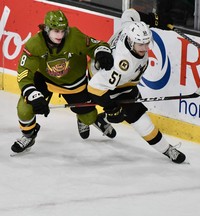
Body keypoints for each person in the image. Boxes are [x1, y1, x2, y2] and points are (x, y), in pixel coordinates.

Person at [87, 8, 186, 164]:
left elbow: (130, 13)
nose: (145, 48)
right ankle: (90, 116)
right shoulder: (122, 63)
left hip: (124, 82)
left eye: (147, 43)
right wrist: (112, 108)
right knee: (135, 116)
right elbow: (94, 88)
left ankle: (167, 149)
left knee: (134, 113)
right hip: (105, 82)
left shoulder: (129, 28)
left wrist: (154, 19)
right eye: (141, 44)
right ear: (132, 41)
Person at [11, 10, 116, 154]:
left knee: (88, 116)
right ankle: (28, 136)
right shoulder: (35, 44)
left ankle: (88, 118)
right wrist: (32, 94)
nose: (60, 35)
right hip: (45, 80)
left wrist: (102, 52)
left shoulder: (74, 36)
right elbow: (24, 72)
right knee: (25, 108)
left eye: (63, 30)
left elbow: (96, 45)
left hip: (74, 84)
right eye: (55, 31)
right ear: (46, 29)